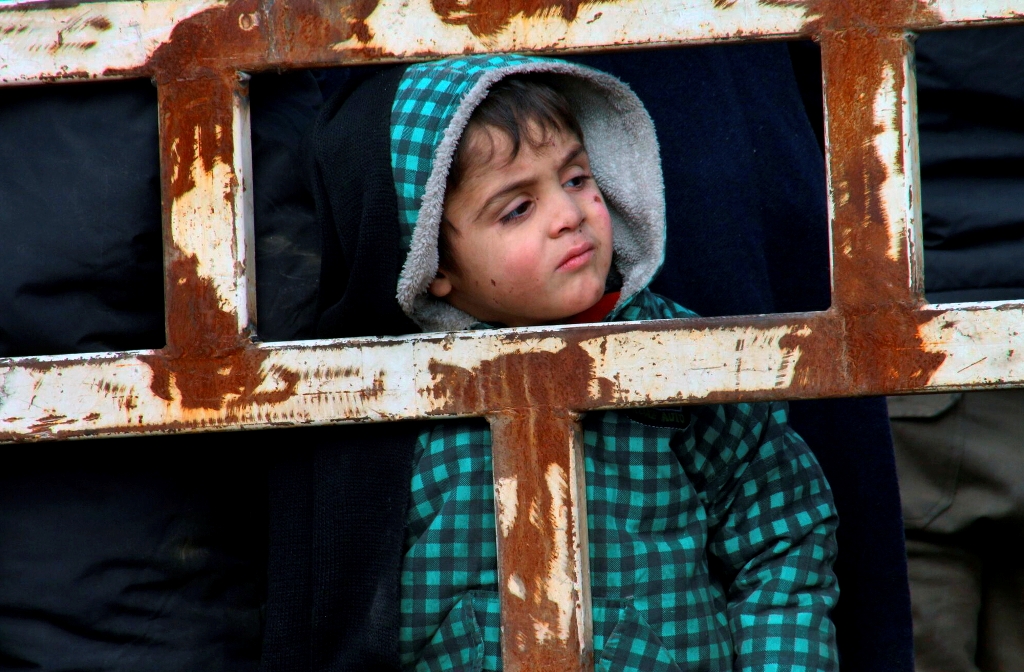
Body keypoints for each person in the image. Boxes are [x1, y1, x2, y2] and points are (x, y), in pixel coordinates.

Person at [307, 53, 839, 671]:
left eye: (577, 178)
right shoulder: (387, 397)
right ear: (433, 262)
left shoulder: (681, 353)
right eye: (516, 209)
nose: (569, 215)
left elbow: (781, 533)